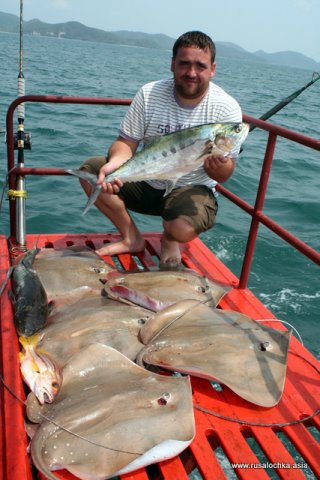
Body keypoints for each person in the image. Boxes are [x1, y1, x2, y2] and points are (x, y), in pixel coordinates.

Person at [79, 31, 243, 268]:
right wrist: (116, 164)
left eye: (200, 66)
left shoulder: (226, 108)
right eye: (184, 64)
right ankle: (131, 237)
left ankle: (170, 238)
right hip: (146, 182)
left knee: (182, 228)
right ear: (172, 64)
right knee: (92, 171)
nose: (191, 73)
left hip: (189, 188)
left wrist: (220, 166)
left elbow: (224, 175)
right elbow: (126, 142)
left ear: (213, 69)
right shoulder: (149, 94)